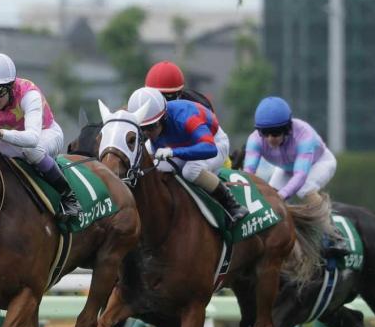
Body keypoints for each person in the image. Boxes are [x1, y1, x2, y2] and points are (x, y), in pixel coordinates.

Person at [0, 51, 81, 221]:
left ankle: (69, 197)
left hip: (46, 133)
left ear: (10, 87)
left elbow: (32, 139)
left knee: (31, 151)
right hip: (11, 139)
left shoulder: (29, 95)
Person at [243, 96, 347, 257]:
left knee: (305, 189)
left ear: (287, 129)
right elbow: (248, 173)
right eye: (265, 133)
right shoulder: (254, 140)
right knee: (269, 196)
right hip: (286, 168)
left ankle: (334, 235)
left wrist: (280, 196)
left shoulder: (304, 135)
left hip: (319, 163)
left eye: (276, 133)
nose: (270, 138)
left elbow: (300, 176)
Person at [127, 87, 249, 223]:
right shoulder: (156, 125)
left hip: (214, 142)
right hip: (182, 142)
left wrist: (174, 152)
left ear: (164, 117)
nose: (147, 133)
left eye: (150, 127)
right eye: (142, 129)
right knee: (157, 166)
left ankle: (232, 205)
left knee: (190, 171)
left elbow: (210, 148)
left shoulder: (185, 117)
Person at [145, 60, 214, 111]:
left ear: (179, 94)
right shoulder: (139, 105)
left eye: (167, 97)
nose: (161, 103)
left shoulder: (199, 108)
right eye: (156, 97)